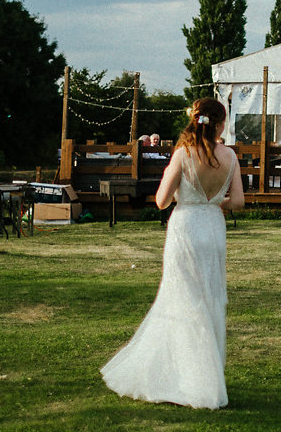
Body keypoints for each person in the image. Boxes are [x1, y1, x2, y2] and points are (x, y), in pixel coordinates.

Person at [102, 97, 244, 408]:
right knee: (209, 298)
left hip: (187, 228)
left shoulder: (182, 154)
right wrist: (217, 202)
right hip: (213, 229)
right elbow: (238, 202)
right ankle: (207, 379)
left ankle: (186, 378)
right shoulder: (230, 156)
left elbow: (162, 201)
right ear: (220, 124)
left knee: (182, 298)